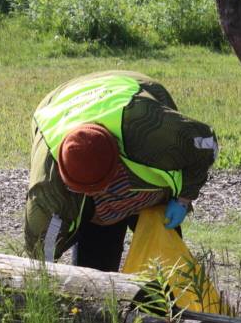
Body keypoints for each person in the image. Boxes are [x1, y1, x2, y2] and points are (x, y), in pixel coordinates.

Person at [24, 71, 218, 272]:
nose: (100, 195)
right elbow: (39, 252)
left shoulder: (149, 130)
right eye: (88, 191)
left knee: (163, 259)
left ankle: (160, 297)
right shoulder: (47, 186)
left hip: (131, 91)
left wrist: (183, 198)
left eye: (103, 187)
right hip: (57, 101)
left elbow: (205, 144)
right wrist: (45, 287)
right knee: (96, 260)